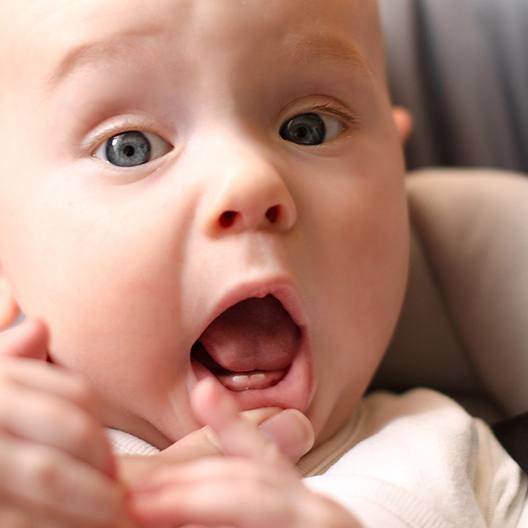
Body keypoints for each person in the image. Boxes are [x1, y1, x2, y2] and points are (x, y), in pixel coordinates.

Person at [0, 0, 525, 526]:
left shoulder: (455, 462)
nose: (249, 179)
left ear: (396, 163)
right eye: (129, 148)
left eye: (308, 128)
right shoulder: (18, 478)